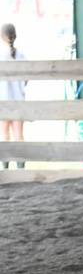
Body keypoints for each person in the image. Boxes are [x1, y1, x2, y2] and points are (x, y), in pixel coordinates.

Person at [0, 23, 26, 169]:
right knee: (19, 135)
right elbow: (28, 78)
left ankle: (5, 169)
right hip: (19, 101)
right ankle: (21, 169)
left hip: (2, 100)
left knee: (4, 135)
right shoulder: (21, 55)